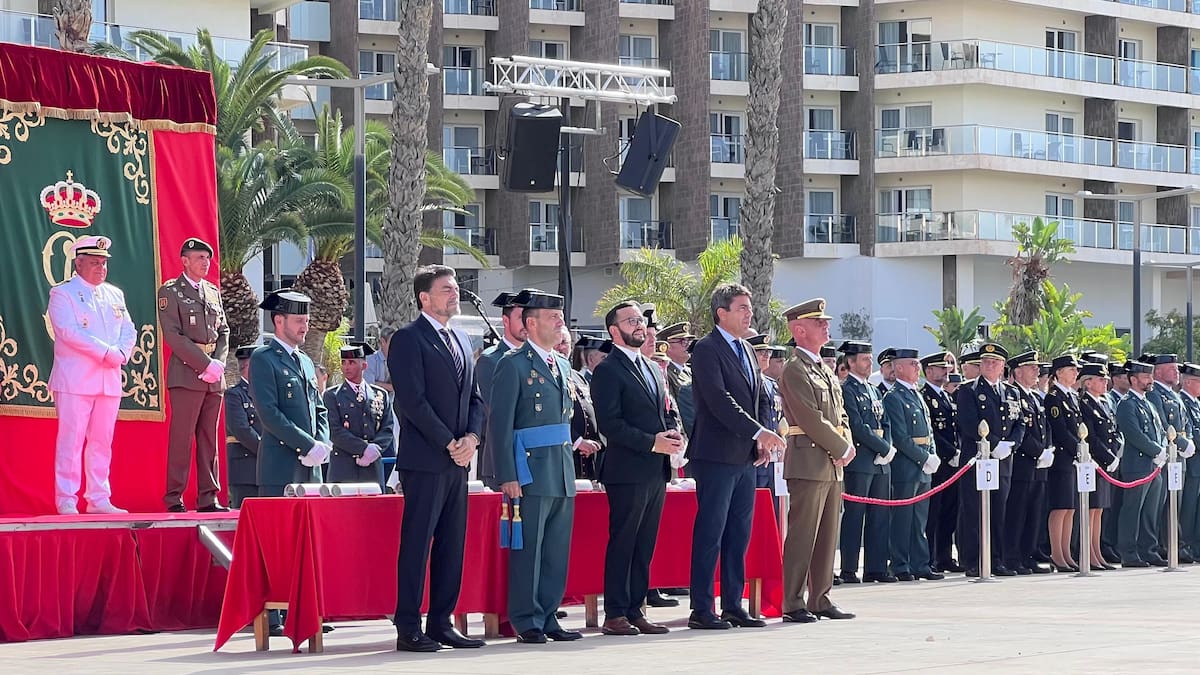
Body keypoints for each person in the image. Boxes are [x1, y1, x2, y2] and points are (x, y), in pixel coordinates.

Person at [388, 265, 485, 652]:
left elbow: (475, 399)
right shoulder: (409, 339)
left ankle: (442, 621)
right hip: (426, 458)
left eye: (456, 288)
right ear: (424, 297)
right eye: (446, 289)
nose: (454, 294)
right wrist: (449, 441)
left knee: (451, 543)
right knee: (417, 543)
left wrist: (472, 439)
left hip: (458, 460)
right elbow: (412, 402)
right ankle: (409, 626)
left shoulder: (461, 338)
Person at [686, 283, 784, 630]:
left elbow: (757, 398)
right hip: (715, 456)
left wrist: (759, 441)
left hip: (744, 456)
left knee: (738, 533)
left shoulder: (744, 348)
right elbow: (718, 399)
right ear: (721, 313)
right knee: (711, 531)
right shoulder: (707, 349)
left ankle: (732, 604)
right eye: (741, 308)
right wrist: (759, 432)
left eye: (750, 308)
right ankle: (701, 608)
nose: (748, 314)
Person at [491, 289, 581, 644]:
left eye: (560, 316)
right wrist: (508, 475)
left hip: (560, 468)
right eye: (551, 316)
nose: (559, 321)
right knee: (529, 549)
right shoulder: (512, 364)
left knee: (556, 550)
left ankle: (548, 614)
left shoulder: (561, 364)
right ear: (530, 323)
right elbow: (500, 425)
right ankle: (526, 618)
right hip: (529, 469)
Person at [589, 301, 681, 637]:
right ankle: (614, 613)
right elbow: (610, 425)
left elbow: (664, 412)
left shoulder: (651, 367)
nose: (639, 325)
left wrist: (672, 433)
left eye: (640, 320)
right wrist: (651, 442)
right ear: (614, 331)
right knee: (624, 541)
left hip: (655, 470)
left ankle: (635, 609)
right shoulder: (608, 370)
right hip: (626, 471)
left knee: (645, 544)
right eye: (631, 321)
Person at [777, 298, 856, 623]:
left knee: (827, 536)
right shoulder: (794, 369)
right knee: (802, 535)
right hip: (809, 460)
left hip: (831, 463)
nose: (826, 325)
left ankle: (820, 598)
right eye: (818, 322)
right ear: (799, 329)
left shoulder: (823, 368)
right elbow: (809, 418)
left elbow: (841, 415)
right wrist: (840, 447)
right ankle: (793, 601)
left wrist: (846, 444)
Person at [47, 235, 136, 515]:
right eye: (95, 262)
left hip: (108, 380)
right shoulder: (63, 293)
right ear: (79, 263)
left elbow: (129, 329)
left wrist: (123, 352)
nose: (101, 268)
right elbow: (69, 332)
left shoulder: (114, 294)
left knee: (102, 441)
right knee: (71, 441)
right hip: (76, 380)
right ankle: (66, 498)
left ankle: (98, 498)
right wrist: (109, 353)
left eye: (104, 263)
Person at [158, 237, 230, 513]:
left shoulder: (212, 292)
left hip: (213, 375)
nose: (205, 262)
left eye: (206, 258)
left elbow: (223, 331)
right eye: (199, 257)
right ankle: (174, 496)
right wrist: (204, 364)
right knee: (182, 437)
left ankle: (208, 496)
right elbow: (174, 336)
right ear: (185, 260)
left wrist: (219, 364)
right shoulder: (171, 292)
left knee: (209, 439)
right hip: (187, 373)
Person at [248, 289, 331, 496]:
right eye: (299, 321)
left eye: (307, 321)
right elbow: (269, 413)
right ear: (279, 321)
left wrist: (320, 444)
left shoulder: (306, 361)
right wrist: (307, 445)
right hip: (280, 469)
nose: (305, 327)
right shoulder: (263, 358)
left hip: (312, 470)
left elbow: (319, 409)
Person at [956, 342, 1025, 577]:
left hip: (1003, 460)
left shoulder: (1011, 391)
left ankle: (996, 559)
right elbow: (969, 423)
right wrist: (994, 444)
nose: (989, 365)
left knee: (998, 511)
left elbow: (1020, 422)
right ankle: (974, 560)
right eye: (985, 362)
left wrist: (1011, 445)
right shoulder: (969, 390)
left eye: (994, 362)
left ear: (1003, 366)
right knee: (975, 511)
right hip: (978, 458)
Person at [837, 340, 895, 585]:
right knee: (855, 515)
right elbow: (857, 426)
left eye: (869, 358)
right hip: (861, 460)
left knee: (879, 515)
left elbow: (885, 421)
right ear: (850, 362)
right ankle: (849, 568)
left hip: (881, 460)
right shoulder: (846, 389)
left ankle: (876, 567)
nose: (868, 362)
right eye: (864, 359)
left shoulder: (872, 389)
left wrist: (889, 447)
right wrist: (882, 447)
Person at [883, 348, 942, 581]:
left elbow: (928, 430)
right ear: (899, 368)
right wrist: (923, 457)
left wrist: (933, 453)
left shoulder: (916, 394)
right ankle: (900, 564)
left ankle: (920, 563)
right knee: (903, 518)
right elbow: (900, 436)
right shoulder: (894, 397)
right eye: (913, 364)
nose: (918, 368)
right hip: (907, 467)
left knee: (919, 520)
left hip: (923, 466)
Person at [1115, 359, 1169, 567]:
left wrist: (1161, 449)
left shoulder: (1148, 403)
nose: (1150, 380)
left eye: (1151, 376)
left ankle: (1148, 549)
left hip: (1154, 465)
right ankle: (1129, 552)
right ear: (1133, 379)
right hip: (1137, 465)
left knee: (1151, 511)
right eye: (1146, 377)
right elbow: (1134, 434)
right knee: (1133, 510)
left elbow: (1161, 430)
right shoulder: (1127, 404)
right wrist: (1156, 450)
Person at [1005, 351, 1053, 574]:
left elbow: (1045, 428)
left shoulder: (1034, 396)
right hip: (1024, 463)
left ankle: (1028, 555)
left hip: (1039, 464)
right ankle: (1014, 557)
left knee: (1034, 513)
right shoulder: (1014, 395)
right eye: (1031, 367)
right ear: (1017, 371)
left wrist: (1048, 449)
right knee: (1018, 513)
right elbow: (1021, 431)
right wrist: (1038, 451)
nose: (1037, 371)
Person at [1144, 353, 1195, 561]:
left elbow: (1185, 423)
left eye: (1176, 368)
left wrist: (1188, 441)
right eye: (1171, 368)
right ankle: (1166, 545)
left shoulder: (1174, 394)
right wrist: (1182, 444)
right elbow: (1164, 425)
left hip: (1180, 458)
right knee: (1165, 505)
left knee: (1177, 504)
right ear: (1157, 372)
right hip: (1167, 456)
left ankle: (1176, 543)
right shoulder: (1155, 393)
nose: (1176, 372)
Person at [324, 343, 394, 488]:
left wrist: (375, 449)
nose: (347, 367)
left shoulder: (380, 394)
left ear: (364, 366)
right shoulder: (332, 395)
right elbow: (334, 430)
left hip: (372, 469)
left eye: (352, 362)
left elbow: (387, 428)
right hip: (343, 469)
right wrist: (363, 448)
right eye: (343, 363)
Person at [476, 291, 527, 489]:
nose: (527, 323)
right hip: (504, 463)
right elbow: (500, 413)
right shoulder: (491, 360)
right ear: (505, 321)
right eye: (521, 317)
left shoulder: (539, 359)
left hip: (536, 461)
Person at [920, 352, 961, 574]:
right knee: (933, 512)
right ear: (928, 371)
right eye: (940, 368)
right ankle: (930, 556)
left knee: (949, 511)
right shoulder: (926, 396)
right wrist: (950, 451)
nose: (946, 371)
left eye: (947, 367)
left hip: (952, 463)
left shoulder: (946, 396)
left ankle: (944, 555)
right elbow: (933, 431)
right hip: (938, 462)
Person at [1079, 361, 1119, 569]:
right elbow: (1091, 438)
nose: (1105, 382)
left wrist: (1115, 453)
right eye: (1100, 379)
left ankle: (1097, 552)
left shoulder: (1103, 402)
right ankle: (1090, 554)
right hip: (1094, 461)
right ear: (1088, 383)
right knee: (1091, 508)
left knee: (1099, 510)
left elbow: (1113, 431)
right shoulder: (1084, 404)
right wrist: (1107, 457)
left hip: (1106, 462)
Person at [1044, 354, 1082, 572]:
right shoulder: (1054, 397)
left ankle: (1066, 553)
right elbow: (1060, 430)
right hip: (1061, 459)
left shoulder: (1072, 396)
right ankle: (1057, 554)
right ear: (1058, 372)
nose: (1075, 373)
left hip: (1073, 459)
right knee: (1060, 507)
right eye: (1071, 369)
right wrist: (1078, 448)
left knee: (1070, 508)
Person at [557, 329, 603, 481]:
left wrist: (596, 440)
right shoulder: (547, 376)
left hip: (588, 457)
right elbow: (553, 416)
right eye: (557, 342)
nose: (561, 347)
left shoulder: (578, 376)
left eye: (565, 343)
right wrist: (577, 441)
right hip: (565, 455)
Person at [224, 345, 261, 508]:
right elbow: (241, 429)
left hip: (266, 469)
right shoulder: (234, 394)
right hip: (245, 469)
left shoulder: (266, 393)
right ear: (248, 367)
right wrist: (268, 451)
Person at [749, 334, 784, 496]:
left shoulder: (772, 384)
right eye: (760, 351)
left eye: (768, 352)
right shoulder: (749, 382)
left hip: (775, 456)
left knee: (775, 508)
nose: (766, 355)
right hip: (757, 454)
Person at [1178, 363, 1200, 564]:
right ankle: (1185, 545)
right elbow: (1192, 432)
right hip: (1191, 464)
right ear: (1189, 382)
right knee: (1188, 509)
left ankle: (1195, 545)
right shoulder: (1183, 401)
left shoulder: (1195, 403)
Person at [659, 322, 696, 439]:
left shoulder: (690, 371)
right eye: (682, 341)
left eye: (688, 341)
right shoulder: (666, 374)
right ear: (666, 346)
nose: (687, 345)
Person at [363, 326, 394, 392]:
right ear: (383, 341)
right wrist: (390, 387)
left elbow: (400, 386)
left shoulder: (398, 361)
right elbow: (369, 384)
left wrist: (377, 383)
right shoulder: (370, 360)